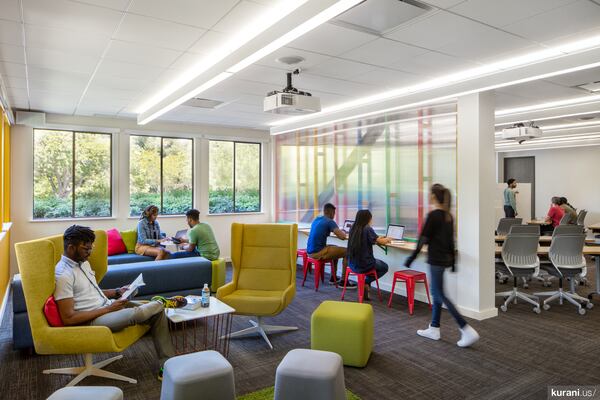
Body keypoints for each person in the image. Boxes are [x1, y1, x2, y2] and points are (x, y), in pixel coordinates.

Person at [54, 225, 174, 380]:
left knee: (156, 312)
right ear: (71, 248)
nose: (89, 253)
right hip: (92, 320)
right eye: (86, 249)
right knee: (143, 311)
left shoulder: (82, 262)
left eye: (91, 248)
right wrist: (109, 309)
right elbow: (68, 318)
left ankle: (167, 366)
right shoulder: (63, 274)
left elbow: (92, 292)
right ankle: (161, 302)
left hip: (106, 306)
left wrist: (117, 291)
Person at [405, 184, 479, 348]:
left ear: (433, 196)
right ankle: (434, 328)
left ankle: (465, 328)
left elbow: (422, 239)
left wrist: (411, 258)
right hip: (444, 259)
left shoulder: (433, 215)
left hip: (436, 259)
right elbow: (450, 240)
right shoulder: (448, 216)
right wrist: (452, 262)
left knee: (439, 294)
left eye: (429, 194)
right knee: (436, 292)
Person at [307, 203, 355, 288]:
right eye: (334, 213)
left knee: (335, 248)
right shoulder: (329, 221)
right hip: (318, 252)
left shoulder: (317, 219)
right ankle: (344, 281)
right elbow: (342, 237)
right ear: (331, 213)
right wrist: (344, 231)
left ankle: (333, 277)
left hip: (310, 251)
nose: (334, 215)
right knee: (348, 251)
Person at [346, 209, 391, 300]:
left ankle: (365, 285)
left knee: (373, 266)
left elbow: (374, 238)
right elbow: (381, 242)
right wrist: (388, 238)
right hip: (365, 264)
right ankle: (365, 282)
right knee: (384, 267)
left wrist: (378, 238)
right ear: (368, 219)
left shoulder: (353, 227)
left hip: (352, 264)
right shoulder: (367, 228)